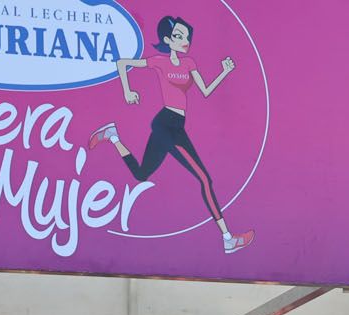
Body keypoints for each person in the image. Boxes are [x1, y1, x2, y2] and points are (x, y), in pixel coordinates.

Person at [92, 16, 252, 253]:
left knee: (141, 174)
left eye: (186, 36)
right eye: (178, 36)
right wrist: (127, 90)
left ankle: (113, 135)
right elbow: (122, 63)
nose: (184, 40)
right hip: (166, 124)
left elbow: (206, 91)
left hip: (176, 125)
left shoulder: (189, 63)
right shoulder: (159, 61)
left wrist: (224, 72)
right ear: (167, 40)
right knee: (205, 179)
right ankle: (228, 238)